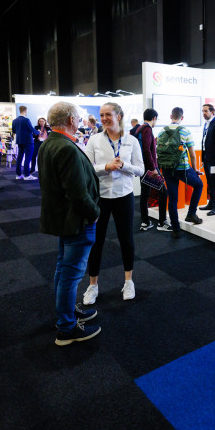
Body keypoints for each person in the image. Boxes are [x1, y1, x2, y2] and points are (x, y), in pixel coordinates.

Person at [38, 101, 102, 346]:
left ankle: (66, 314)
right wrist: (94, 213)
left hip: (64, 219)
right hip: (76, 220)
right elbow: (77, 193)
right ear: (71, 120)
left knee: (63, 269)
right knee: (71, 274)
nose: (80, 121)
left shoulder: (49, 143)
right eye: (78, 118)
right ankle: (66, 327)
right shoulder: (65, 147)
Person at [82, 102, 144, 304]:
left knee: (126, 239)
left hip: (124, 195)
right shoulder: (94, 140)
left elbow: (141, 170)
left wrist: (125, 166)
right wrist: (106, 167)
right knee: (96, 241)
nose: (104, 118)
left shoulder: (131, 140)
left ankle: (128, 281)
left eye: (108, 114)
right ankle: (93, 285)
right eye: (101, 115)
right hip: (100, 197)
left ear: (119, 116)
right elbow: (87, 168)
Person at [156, 107, 203, 239]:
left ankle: (176, 229)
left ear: (171, 116)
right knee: (199, 185)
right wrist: (195, 169)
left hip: (166, 168)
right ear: (182, 118)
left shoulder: (161, 131)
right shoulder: (185, 131)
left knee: (173, 198)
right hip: (182, 168)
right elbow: (192, 154)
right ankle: (191, 213)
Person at [136, 108, 167, 231]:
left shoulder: (139, 128)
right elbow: (146, 150)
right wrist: (153, 168)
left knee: (144, 194)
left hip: (142, 167)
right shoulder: (147, 129)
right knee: (163, 192)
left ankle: (145, 222)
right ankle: (162, 223)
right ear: (154, 118)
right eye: (156, 119)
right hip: (149, 168)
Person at [12, 105, 38, 180]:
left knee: (19, 158)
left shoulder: (15, 120)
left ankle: (18, 175)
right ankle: (27, 175)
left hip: (20, 141)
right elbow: (32, 129)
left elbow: (14, 131)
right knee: (28, 158)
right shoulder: (26, 120)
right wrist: (39, 132)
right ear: (26, 111)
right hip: (28, 141)